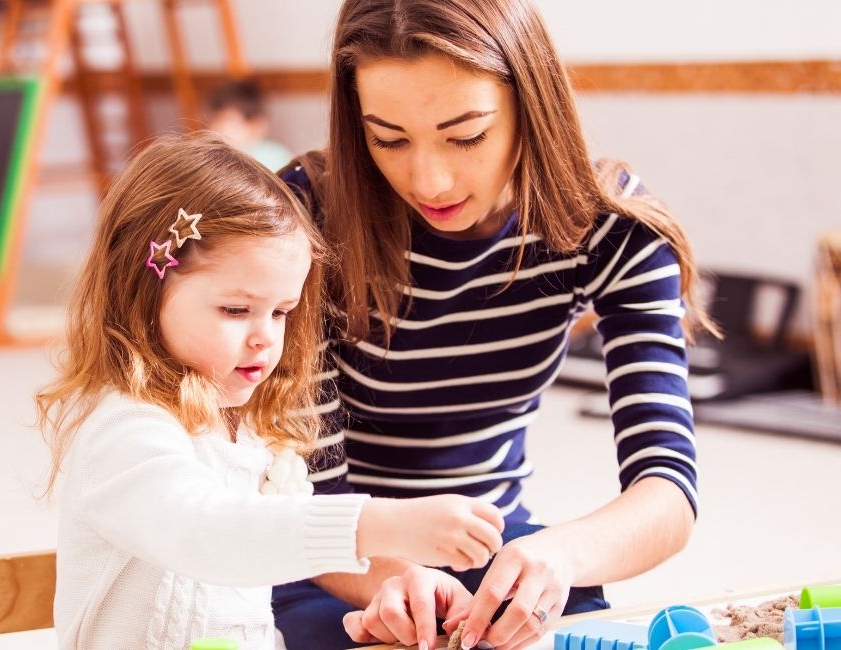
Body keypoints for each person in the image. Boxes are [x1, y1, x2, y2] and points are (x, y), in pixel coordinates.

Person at [271, 1, 715, 649]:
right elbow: (307, 500)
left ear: (530, 105)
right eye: (388, 139)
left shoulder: (617, 231)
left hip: (500, 556)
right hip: (335, 560)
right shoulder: (302, 219)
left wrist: (560, 556)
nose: (430, 178)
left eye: (466, 135)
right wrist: (399, 578)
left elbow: (667, 490)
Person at [37, 133, 506, 650]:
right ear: (144, 295)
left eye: (281, 311)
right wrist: (382, 522)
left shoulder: (252, 427)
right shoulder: (126, 428)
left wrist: (400, 580)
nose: (266, 336)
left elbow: (284, 538)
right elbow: (207, 532)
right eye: (236, 310)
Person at [205, 78, 295, 172]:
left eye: (227, 121)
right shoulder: (212, 156)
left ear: (257, 125)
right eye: (213, 120)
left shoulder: (276, 158)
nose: (215, 128)